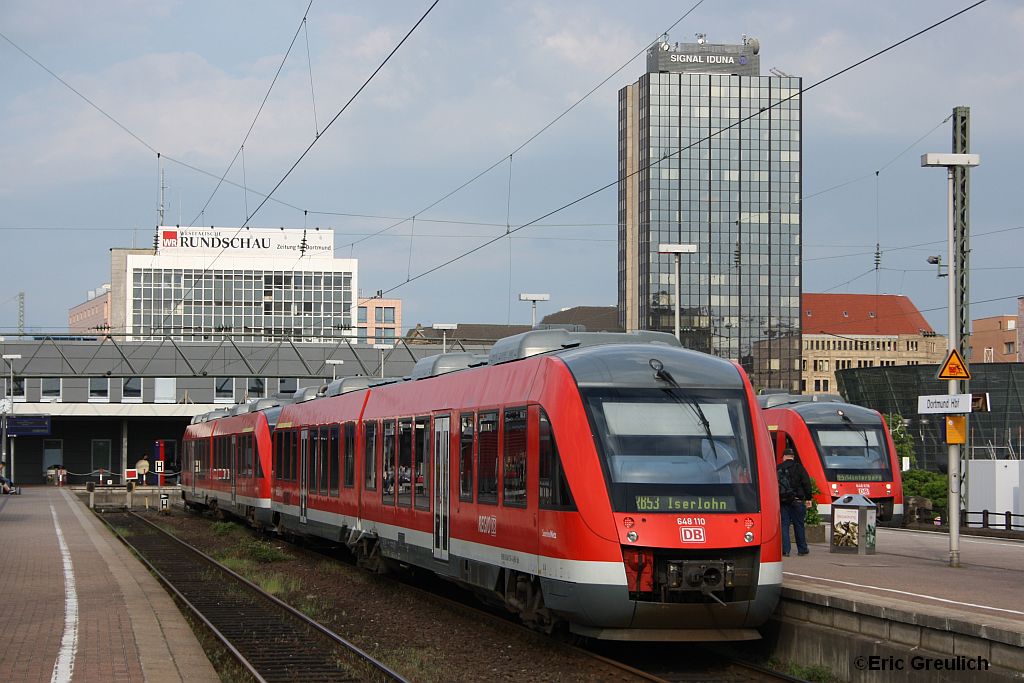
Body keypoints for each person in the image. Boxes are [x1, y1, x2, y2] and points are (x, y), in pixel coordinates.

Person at [778, 446, 814, 557]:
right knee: (799, 524)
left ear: (784, 457)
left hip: (783, 501)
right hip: (797, 501)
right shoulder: (799, 468)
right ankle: (802, 549)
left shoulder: (778, 468)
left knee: (784, 525)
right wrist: (808, 498)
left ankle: (785, 550)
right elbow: (807, 484)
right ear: (793, 457)